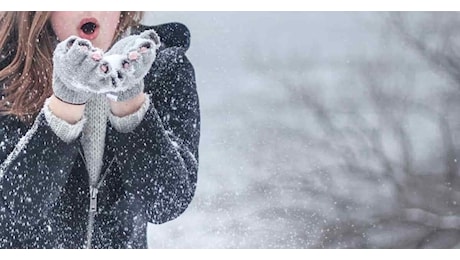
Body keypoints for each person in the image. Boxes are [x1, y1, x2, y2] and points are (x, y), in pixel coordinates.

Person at [0, 11, 200, 249]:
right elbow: (13, 212)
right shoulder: (8, 71)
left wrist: (129, 101)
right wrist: (66, 103)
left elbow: (166, 203)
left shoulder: (165, 68)